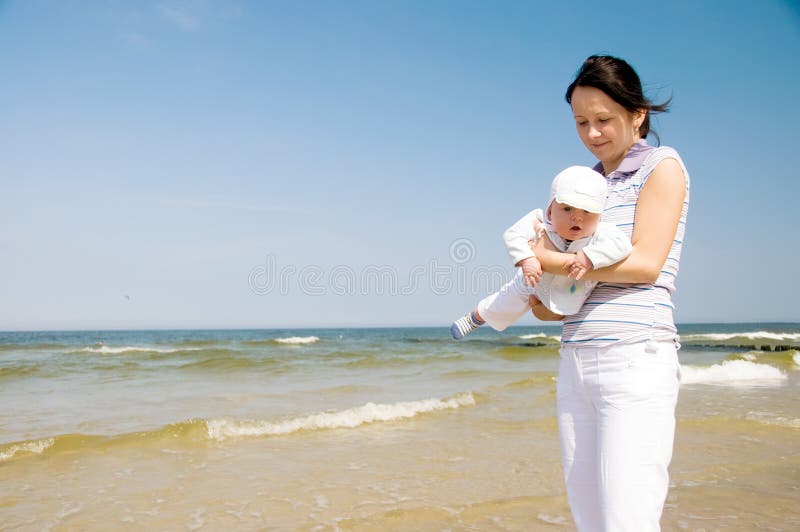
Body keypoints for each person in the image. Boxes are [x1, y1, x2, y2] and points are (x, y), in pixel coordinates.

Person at [531, 55, 690, 531]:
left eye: (603, 120)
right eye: (581, 122)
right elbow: (559, 302)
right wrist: (540, 289)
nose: (592, 134)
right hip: (576, 358)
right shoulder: (584, 188)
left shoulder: (663, 166)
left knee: (629, 520)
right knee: (591, 519)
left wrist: (549, 259)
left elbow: (645, 265)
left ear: (637, 114)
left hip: (634, 358)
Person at [450, 165, 632, 340]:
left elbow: (622, 245)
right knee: (506, 300)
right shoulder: (539, 222)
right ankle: (475, 318)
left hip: (572, 290)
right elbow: (513, 235)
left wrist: (590, 256)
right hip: (533, 279)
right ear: (550, 211)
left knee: (563, 308)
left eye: (587, 211)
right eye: (567, 208)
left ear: (600, 216)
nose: (577, 217)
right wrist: (527, 259)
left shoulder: (602, 232)